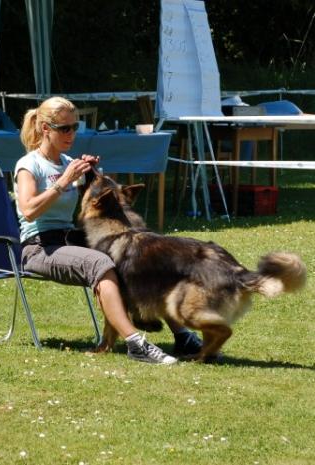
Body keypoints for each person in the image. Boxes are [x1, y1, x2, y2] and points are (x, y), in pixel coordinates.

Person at [14, 96, 202, 364]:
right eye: (64, 128)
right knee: (100, 263)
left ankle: (182, 335)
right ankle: (136, 343)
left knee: (139, 255)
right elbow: (29, 210)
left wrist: (91, 174)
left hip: (70, 238)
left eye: (75, 127)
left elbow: (93, 203)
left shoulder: (67, 161)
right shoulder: (29, 165)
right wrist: (64, 181)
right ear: (45, 129)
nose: (71, 134)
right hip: (40, 247)